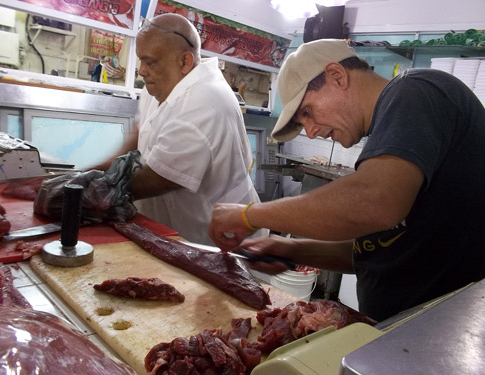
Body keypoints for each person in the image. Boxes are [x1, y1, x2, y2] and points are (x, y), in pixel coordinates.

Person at [208, 39, 485, 321]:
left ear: (337, 76)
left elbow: (375, 202)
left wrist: (250, 215)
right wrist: (291, 250)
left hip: (439, 335)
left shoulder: (415, 90)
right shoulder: (387, 136)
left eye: (307, 112)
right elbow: (378, 251)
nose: (312, 132)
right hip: (394, 336)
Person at [94, 13, 264, 245]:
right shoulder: (159, 87)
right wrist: (83, 174)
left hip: (221, 239)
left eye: (150, 62)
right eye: (140, 60)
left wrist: (87, 191)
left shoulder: (204, 100)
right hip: (177, 232)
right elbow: (131, 146)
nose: (141, 71)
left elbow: (158, 178)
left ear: (184, 62)